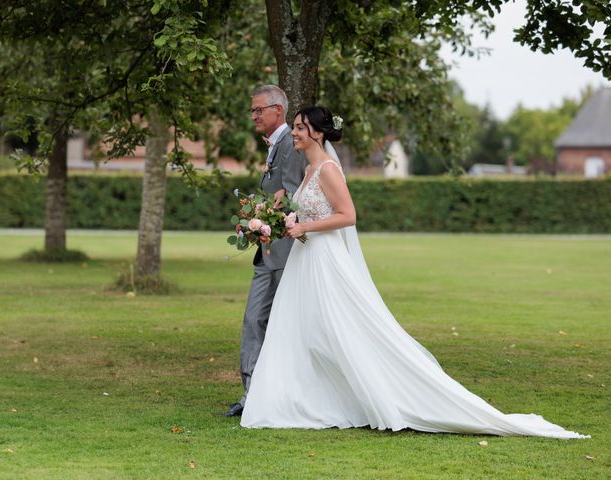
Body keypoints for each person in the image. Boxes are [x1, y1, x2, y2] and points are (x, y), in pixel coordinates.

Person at [240, 106, 588, 439]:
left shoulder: (329, 169)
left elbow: (348, 216)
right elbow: (314, 214)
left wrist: (305, 228)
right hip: (308, 259)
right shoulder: (308, 171)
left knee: (342, 328)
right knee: (304, 329)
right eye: (296, 128)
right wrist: (289, 222)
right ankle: (305, 398)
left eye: (301, 128)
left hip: (324, 260)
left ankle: (374, 393)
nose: (296, 133)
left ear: (317, 133)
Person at [222, 85, 307, 417]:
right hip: (269, 251)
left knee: (266, 320)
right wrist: (254, 219)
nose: (254, 115)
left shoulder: (290, 144)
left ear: (278, 111)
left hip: (284, 252)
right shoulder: (279, 144)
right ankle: (252, 394)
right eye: (252, 110)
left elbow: (292, 199)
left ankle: (262, 395)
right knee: (255, 319)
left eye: (259, 109)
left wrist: (264, 221)